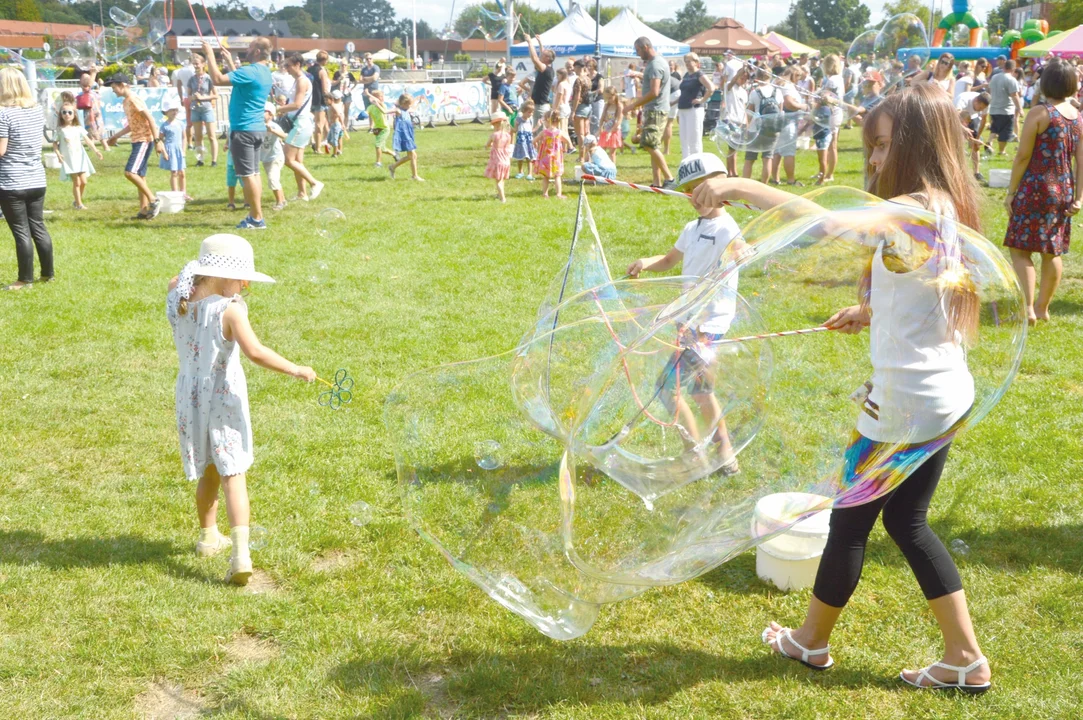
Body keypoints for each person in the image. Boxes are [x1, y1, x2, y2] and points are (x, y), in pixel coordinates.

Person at [691, 84, 993, 694]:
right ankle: (963, 656)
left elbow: (829, 223)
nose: (875, 160)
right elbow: (923, 292)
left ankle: (810, 642)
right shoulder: (941, 205)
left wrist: (738, 187)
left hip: (905, 404)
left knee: (851, 522)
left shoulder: (916, 206)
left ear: (914, 143)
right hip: (939, 393)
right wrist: (873, 313)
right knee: (907, 522)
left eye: (882, 146)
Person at [167, 234, 316, 586]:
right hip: (224, 397)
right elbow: (256, 352)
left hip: (190, 396)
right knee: (234, 474)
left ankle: (208, 538)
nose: (246, 285)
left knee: (208, 470)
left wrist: (199, 276)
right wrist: (296, 368)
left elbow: (176, 279)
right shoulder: (230, 310)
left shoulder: (179, 296)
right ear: (221, 275)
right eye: (241, 277)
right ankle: (241, 555)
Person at [626, 152, 744, 470]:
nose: (695, 197)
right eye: (689, 190)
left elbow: (740, 253)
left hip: (707, 325)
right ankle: (719, 453)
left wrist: (741, 252)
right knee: (697, 390)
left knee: (671, 388)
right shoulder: (692, 228)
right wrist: (645, 263)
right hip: (688, 321)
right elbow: (669, 260)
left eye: (701, 188)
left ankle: (702, 451)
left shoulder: (726, 229)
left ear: (721, 187)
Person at [1004, 59, 1083, 325]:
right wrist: (1079, 197)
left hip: (1035, 186)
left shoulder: (1040, 113)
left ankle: (1027, 309)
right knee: (1053, 252)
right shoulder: (1077, 117)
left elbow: (1023, 156)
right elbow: (1081, 164)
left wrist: (1011, 192)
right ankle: (1043, 308)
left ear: (1045, 82)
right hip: (1063, 189)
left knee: (1020, 249)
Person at [202, 38, 274, 230]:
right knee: (254, 173)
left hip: (243, 130)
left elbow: (217, 80)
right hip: (256, 129)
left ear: (257, 51)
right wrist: (230, 63)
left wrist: (209, 54)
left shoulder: (249, 71)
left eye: (250, 47)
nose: (246, 50)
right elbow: (244, 82)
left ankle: (256, 218)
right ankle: (256, 216)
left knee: (247, 175)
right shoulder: (264, 71)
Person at [0, 67, 53, 290]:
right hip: (36, 179)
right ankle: (47, 273)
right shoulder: (36, 110)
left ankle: (24, 279)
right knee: (38, 226)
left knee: (21, 231)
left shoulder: (3, 114)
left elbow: (1, 150)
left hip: (12, 181)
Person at [106, 74, 161, 220]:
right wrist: (116, 136)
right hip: (137, 140)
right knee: (140, 176)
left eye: (114, 88)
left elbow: (150, 118)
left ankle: (153, 200)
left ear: (123, 84)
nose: (113, 91)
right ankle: (143, 211)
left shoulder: (133, 99)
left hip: (144, 140)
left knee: (130, 173)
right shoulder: (126, 102)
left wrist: (157, 140)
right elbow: (132, 124)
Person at [625, 36, 674, 189]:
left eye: (638, 50)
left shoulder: (655, 65)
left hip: (656, 110)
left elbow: (654, 92)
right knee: (653, 145)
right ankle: (657, 182)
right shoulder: (657, 62)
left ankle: (670, 179)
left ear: (646, 47)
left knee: (649, 145)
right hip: (655, 109)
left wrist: (632, 105)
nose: (637, 53)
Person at [277, 53, 324, 202]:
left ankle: (315, 183)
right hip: (301, 123)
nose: (286, 69)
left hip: (300, 124)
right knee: (297, 161)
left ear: (297, 65)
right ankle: (302, 193)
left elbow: (297, 104)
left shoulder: (302, 81)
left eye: (288, 66)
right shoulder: (298, 80)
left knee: (287, 159)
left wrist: (276, 109)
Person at [53, 101, 101, 210]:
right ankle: (79, 205)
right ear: (61, 114)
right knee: (77, 182)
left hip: (80, 157)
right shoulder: (60, 130)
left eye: (70, 112)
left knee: (84, 181)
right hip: (69, 158)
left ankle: (76, 200)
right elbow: (55, 143)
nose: (67, 114)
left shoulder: (78, 128)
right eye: (64, 112)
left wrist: (96, 150)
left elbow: (87, 140)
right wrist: (58, 154)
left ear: (74, 114)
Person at [744, 68, 784, 183]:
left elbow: (749, 113)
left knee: (749, 159)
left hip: (755, 129)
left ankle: (745, 184)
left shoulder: (754, 92)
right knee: (767, 158)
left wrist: (746, 129)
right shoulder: (778, 92)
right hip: (772, 129)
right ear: (770, 76)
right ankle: (764, 185)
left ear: (757, 76)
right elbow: (780, 112)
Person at [771, 65, 808, 187]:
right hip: (788, 121)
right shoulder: (787, 85)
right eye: (797, 76)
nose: (798, 79)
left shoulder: (778, 82)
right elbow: (788, 103)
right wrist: (803, 106)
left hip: (779, 121)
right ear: (792, 74)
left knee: (777, 151)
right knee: (789, 152)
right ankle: (791, 180)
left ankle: (775, 178)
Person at [814, 54, 845, 184]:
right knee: (833, 144)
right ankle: (826, 172)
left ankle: (829, 174)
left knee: (831, 145)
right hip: (837, 112)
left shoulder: (832, 80)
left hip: (832, 113)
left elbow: (824, 97)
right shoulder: (838, 78)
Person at [677, 52, 715, 160]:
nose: (687, 64)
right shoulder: (686, 75)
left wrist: (702, 100)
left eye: (689, 61)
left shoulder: (699, 74)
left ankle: (696, 160)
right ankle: (686, 161)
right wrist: (674, 102)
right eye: (686, 62)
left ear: (696, 62)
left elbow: (711, 88)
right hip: (683, 108)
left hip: (694, 109)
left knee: (694, 138)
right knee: (684, 138)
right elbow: (683, 92)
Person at [188, 53, 220, 167]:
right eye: (194, 64)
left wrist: (203, 98)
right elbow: (188, 95)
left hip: (207, 109)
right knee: (198, 136)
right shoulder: (191, 79)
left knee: (211, 136)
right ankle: (200, 160)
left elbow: (216, 95)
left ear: (203, 64)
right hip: (195, 109)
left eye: (197, 64)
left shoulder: (208, 78)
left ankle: (214, 161)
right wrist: (192, 97)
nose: (195, 66)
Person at [987, 59, 1022, 155]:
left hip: (993, 108)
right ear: (1013, 68)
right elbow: (1014, 95)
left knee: (995, 128)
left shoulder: (994, 77)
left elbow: (989, 90)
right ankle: (1002, 151)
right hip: (1006, 110)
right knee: (1005, 132)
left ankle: (989, 142)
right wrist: (1020, 109)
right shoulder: (1011, 79)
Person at [387, 94, 424, 181]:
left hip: (409, 134)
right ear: (402, 103)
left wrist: (419, 102)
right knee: (413, 155)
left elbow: (413, 108)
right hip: (405, 136)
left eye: (409, 105)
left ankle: (393, 166)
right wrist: (377, 104)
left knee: (411, 156)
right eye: (407, 105)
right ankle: (414, 176)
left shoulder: (406, 109)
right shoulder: (399, 111)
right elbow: (385, 111)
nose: (409, 106)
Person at [535, 110, 570, 199]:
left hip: (545, 157)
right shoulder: (559, 132)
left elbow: (534, 140)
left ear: (548, 120)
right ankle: (558, 194)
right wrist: (568, 144)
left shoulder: (544, 132)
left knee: (546, 177)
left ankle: (545, 194)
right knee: (557, 176)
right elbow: (567, 140)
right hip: (556, 158)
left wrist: (535, 143)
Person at [158, 98, 188, 198]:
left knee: (182, 172)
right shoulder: (164, 126)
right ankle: (175, 193)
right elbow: (160, 140)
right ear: (166, 112)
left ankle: (183, 193)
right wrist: (164, 152)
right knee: (174, 172)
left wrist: (183, 150)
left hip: (179, 149)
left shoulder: (180, 123)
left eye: (175, 110)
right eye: (171, 110)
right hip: (170, 149)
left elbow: (184, 137)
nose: (174, 112)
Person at [957, 91, 990, 180]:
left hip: (972, 117)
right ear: (976, 101)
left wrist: (977, 137)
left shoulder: (985, 104)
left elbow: (983, 120)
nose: (981, 110)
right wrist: (964, 129)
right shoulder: (962, 100)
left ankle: (976, 172)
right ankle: (958, 171)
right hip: (957, 117)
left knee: (975, 145)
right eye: (979, 107)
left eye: (983, 108)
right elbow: (953, 118)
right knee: (957, 142)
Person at [722, 67, 749, 177]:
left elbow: (744, 108)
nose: (742, 79)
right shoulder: (729, 86)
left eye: (745, 78)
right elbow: (732, 81)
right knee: (732, 148)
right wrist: (740, 71)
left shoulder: (744, 92)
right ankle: (731, 172)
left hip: (740, 121)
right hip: (731, 120)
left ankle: (733, 171)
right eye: (741, 77)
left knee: (735, 148)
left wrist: (746, 122)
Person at [261, 103, 287, 211]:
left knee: (273, 179)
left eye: (264, 111)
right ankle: (283, 199)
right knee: (273, 179)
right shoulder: (258, 125)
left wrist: (272, 131)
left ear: (271, 115)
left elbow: (284, 136)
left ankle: (280, 202)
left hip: (276, 157)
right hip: (266, 158)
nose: (260, 114)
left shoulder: (274, 125)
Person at [526, 36, 556, 127]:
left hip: (541, 107)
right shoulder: (547, 68)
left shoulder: (546, 70)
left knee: (540, 134)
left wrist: (530, 42)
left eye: (542, 55)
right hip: (539, 106)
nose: (540, 56)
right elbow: (541, 56)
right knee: (537, 133)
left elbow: (534, 59)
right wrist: (540, 42)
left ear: (547, 58)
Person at [307, 51, 332, 154]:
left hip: (309, 100)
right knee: (319, 125)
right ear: (325, 60)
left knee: (320, 123)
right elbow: (325, 89)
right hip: (320, 101)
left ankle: (325, 143)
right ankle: (317, 148)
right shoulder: (322, 71)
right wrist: (330, 99)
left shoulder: (309, 70)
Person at [485, 115, 513, 203]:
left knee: (498, 181)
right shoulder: (508, 136)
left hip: (497, 161)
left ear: (496, 125)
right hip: (506, 160)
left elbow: (488, 145)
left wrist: (488, 146)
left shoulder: (494, 135)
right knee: (502, 179)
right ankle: (500, 194)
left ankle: (503, 198)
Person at [364, 87, 393, 168]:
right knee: (382, 148)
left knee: (377, 145)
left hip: (384, 128)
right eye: (379, 96)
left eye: (381, 96)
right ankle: (394, 154)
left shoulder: (383, 105)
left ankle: (378, 163)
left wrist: (369, 94)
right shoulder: (370, 107)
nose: (381, 98)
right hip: (377, 129)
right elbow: (366, 114)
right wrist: (359, 117)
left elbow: (378, 102)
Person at [172, 58, 195, 151]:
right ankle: (196, 141)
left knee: (189, 122)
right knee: (196, 122)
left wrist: (181, 97)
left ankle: (189, 143)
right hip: (194, 97)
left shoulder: (180, 71)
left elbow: (178, 85)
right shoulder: (192, 70)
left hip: (186, 97)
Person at [512, 99, 537, 180]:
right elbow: (515, 130)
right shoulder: (518, 119)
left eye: (532, 112)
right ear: (523, 111)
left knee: (529, 157)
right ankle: (520, 172)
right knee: (520, 157)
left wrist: (538, 127)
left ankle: (530, 173)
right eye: (529, 112)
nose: (531, 114)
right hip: (521, 141)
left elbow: (531, 131)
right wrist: (511, 126)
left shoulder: (530, 120)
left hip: (529, 141)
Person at [597, 87, 623, 163]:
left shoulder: (619, 106)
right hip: (606, 129)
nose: (609, 100)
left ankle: (612, 169)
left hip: (614, 131)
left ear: (615, 95)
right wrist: (600, 127)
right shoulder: (607, 105)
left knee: (612, 153)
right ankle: (602, 167)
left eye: (610, 98)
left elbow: (618, 120)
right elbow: (602, 118)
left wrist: (610, 132)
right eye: (607, 98)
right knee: (602, 151)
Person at [662, 59, 682, 156]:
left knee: (668, 123)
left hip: (674, 94)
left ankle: (666, 150)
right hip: (678, 93)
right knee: (679, 122)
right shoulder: (669, 75)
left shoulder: (665, 75)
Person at [360, 53, 380, 124]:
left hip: (374, 91)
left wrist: (366, 78)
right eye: (367, 59)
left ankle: (377, 125)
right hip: (366, 91)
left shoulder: (376, 67)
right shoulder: (363, 69)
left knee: (375, 108)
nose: (369, 60)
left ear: (372, 59)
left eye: (370, 58)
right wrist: (370, 79)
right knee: (368, 110)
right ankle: (371, 127)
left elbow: (375, 78)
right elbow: (361, 80)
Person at [326, 89, 346, 157]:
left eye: (326, 100)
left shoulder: (334, 106)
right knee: (330, 139)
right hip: (334, 125)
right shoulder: (331, 106)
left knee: (335, 139)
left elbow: (338, 114)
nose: (325, 102)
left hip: (336, 125)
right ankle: (338, 150)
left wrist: (333, 120)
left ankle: (335, 154)